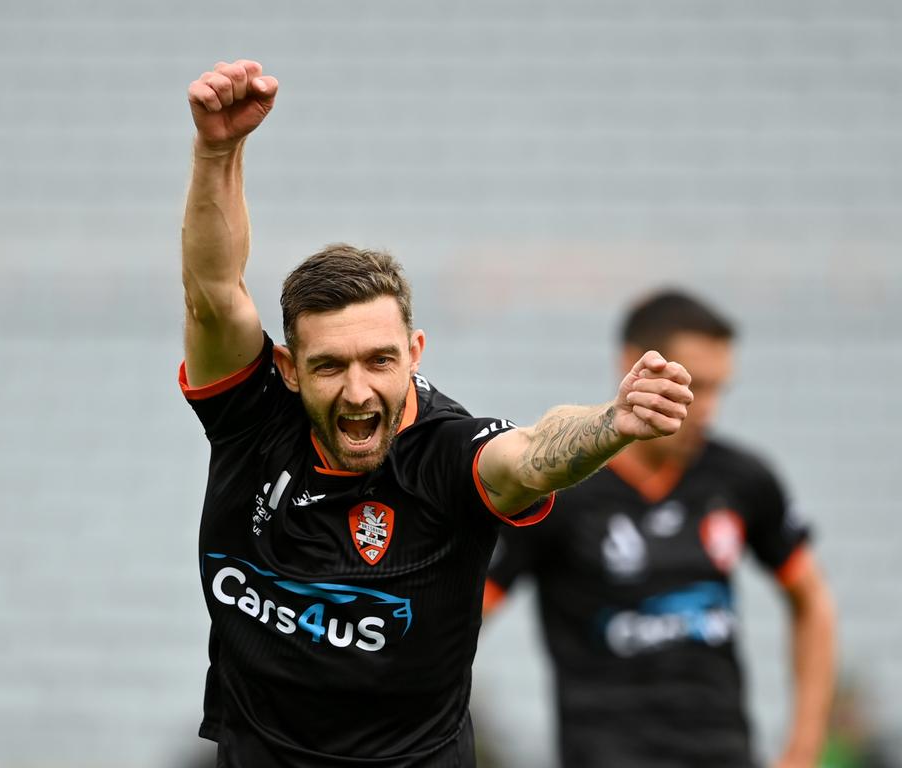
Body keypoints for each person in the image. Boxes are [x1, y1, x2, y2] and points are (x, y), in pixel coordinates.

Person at [178, 58, 694, 768]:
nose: (359, 391)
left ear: (415, 351)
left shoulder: (447, 452)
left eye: (380, 361)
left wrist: (614, 422)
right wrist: (217, 150)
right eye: (330, 365)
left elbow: (531, 454)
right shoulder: (252, 417)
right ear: (290, 369)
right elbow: (213, 287)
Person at [485, 290, 837, 768]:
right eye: (694, 386)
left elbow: (811, 600)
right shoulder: (562, 492)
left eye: (718, 389)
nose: (707, 408)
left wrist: (803, 748)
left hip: (723, 753)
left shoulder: (741, 479)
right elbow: (464, 612)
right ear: (634, 366)